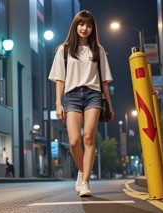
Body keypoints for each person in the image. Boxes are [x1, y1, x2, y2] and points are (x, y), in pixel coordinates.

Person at [48, 10, 114, 197]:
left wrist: (109, 105)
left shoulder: (98, 50)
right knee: (74, 141)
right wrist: (58, 103)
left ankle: (85, 183)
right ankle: (81, 171)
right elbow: (60, 79)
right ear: (75, 26)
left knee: (88, 138)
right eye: (81, 24)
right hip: (72, 97)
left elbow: (104, 83)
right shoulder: (64, 50)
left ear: (93, 28)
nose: (85, 28)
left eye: (89, 25)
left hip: (93, 95)